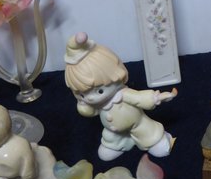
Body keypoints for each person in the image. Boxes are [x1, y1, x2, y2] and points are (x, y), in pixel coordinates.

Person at [64, 32, 176, 161]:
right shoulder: (96, 104)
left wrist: (156, 98)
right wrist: (82, 104)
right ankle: (122, 142)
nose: (90, 98)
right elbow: (91, 112)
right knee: (105, 154)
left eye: (99, 91)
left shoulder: (122, 94)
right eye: (82, 94)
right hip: (114, 132)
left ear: (116, 76)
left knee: (155, 141)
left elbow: (139, 98)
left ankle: (156, 140)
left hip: (138, 124)